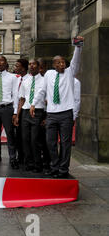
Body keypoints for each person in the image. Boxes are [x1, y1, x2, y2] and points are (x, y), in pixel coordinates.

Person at [30, 36, 84, 178]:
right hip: (52, 114)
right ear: (54, 65)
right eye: (58, 63)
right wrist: (34, 103)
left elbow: (76, 62)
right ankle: (55, 166)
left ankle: (63, 169)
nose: (62, 65)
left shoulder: (70, 73)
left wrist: (78, 47)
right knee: (50, 142)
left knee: (65, 144)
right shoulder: (48, 74)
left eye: (63, 62)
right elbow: (42, 90)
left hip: (66, 113)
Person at [15, 59, 45, 173]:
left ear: (38, 67)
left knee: (35, 140)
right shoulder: (25, 80)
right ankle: (29, 163)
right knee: (25, 139)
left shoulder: (43, 80)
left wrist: (45, 116)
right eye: (30, 64)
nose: (31, 66)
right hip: (25, 112)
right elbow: (22, 99)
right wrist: (17, 115)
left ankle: (38, 164)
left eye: (34, 64)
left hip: (38, 111)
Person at [14, 58, 29, 166]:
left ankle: (26, 158)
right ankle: (20, 157)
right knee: (18, 136)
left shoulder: (29, 79)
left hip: (26, 111)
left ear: (23, 68)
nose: (15, 68)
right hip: (17, 110)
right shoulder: (18, 79)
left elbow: (23, 99)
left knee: (25, 137)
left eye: (17, 66)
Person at [37, 58, 50, 169]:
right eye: (38, 67)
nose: (39, 70)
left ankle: (47, 160)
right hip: (38, 112)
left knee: (47, 140)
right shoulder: (35, 79)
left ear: (45, 67)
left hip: (47, 112)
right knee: (39, 139)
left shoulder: (49, 78)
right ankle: (40, 160)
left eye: (41, 67)